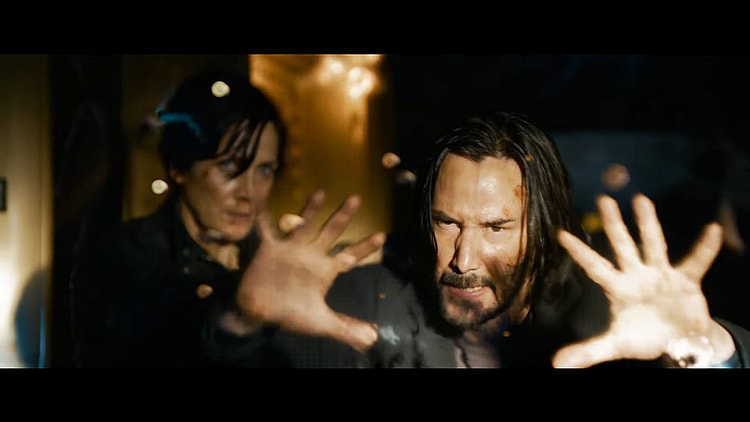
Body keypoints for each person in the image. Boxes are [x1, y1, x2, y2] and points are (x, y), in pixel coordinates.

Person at [205, 110, 750, 368]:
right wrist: (239, 324)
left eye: (495, 227)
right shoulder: (366, 300)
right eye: (447, 222)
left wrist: (704, 347)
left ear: (543, 230)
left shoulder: (606, 313)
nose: (462, 259)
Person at [70, 68, 384, 367]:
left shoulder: (271, 260)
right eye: (229, 167)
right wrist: (239, 319)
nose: (249, 192)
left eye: (264, 170)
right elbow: (160, 333)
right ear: (180, 167)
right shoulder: (126, 255)